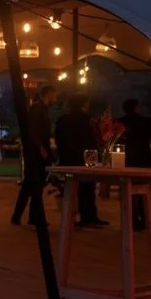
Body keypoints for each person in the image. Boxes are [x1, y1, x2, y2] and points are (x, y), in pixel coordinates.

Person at [55, 94, 106, 227]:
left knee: (70, 189)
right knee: (88, 188)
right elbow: (97, 139)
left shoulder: (62, 120)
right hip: (87, 157)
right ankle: (88, 216)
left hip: (68, 158)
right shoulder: (90, 120)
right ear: (84, 104)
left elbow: (58, 139)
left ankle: (69, 216)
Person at [11, 85, 57, 226]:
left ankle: (23, 216)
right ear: (49, 93)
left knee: (30, 185)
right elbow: (34, 130)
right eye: (55, 95)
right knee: (35, 185)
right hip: (37, 153)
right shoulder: (38, 109)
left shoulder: (40, 109)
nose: (56, 98)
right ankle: (32, 216)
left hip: (36, 152)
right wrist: (41, 148)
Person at [118, 98, 151, 231]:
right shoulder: (146, 122)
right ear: (136, 108)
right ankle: (144, 218)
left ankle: (132, 220)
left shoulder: (120, 122)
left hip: (126, 158)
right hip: (144, 158)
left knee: (128, 190)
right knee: (144, 190)